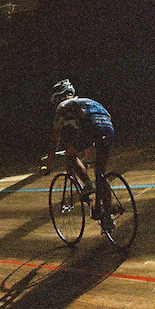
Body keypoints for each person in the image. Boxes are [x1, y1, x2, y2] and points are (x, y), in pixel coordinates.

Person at [44, 79, 116, 230]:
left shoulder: (62, 107)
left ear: (58, 98)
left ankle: (88, 184)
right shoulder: (88, 101)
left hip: (90, 128)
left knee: (70, 156)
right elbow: (104, 118)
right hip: (108, 128)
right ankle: (108, 216)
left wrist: (48, 166)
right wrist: (87, 157)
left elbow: (54, 141)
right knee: (100, 175)